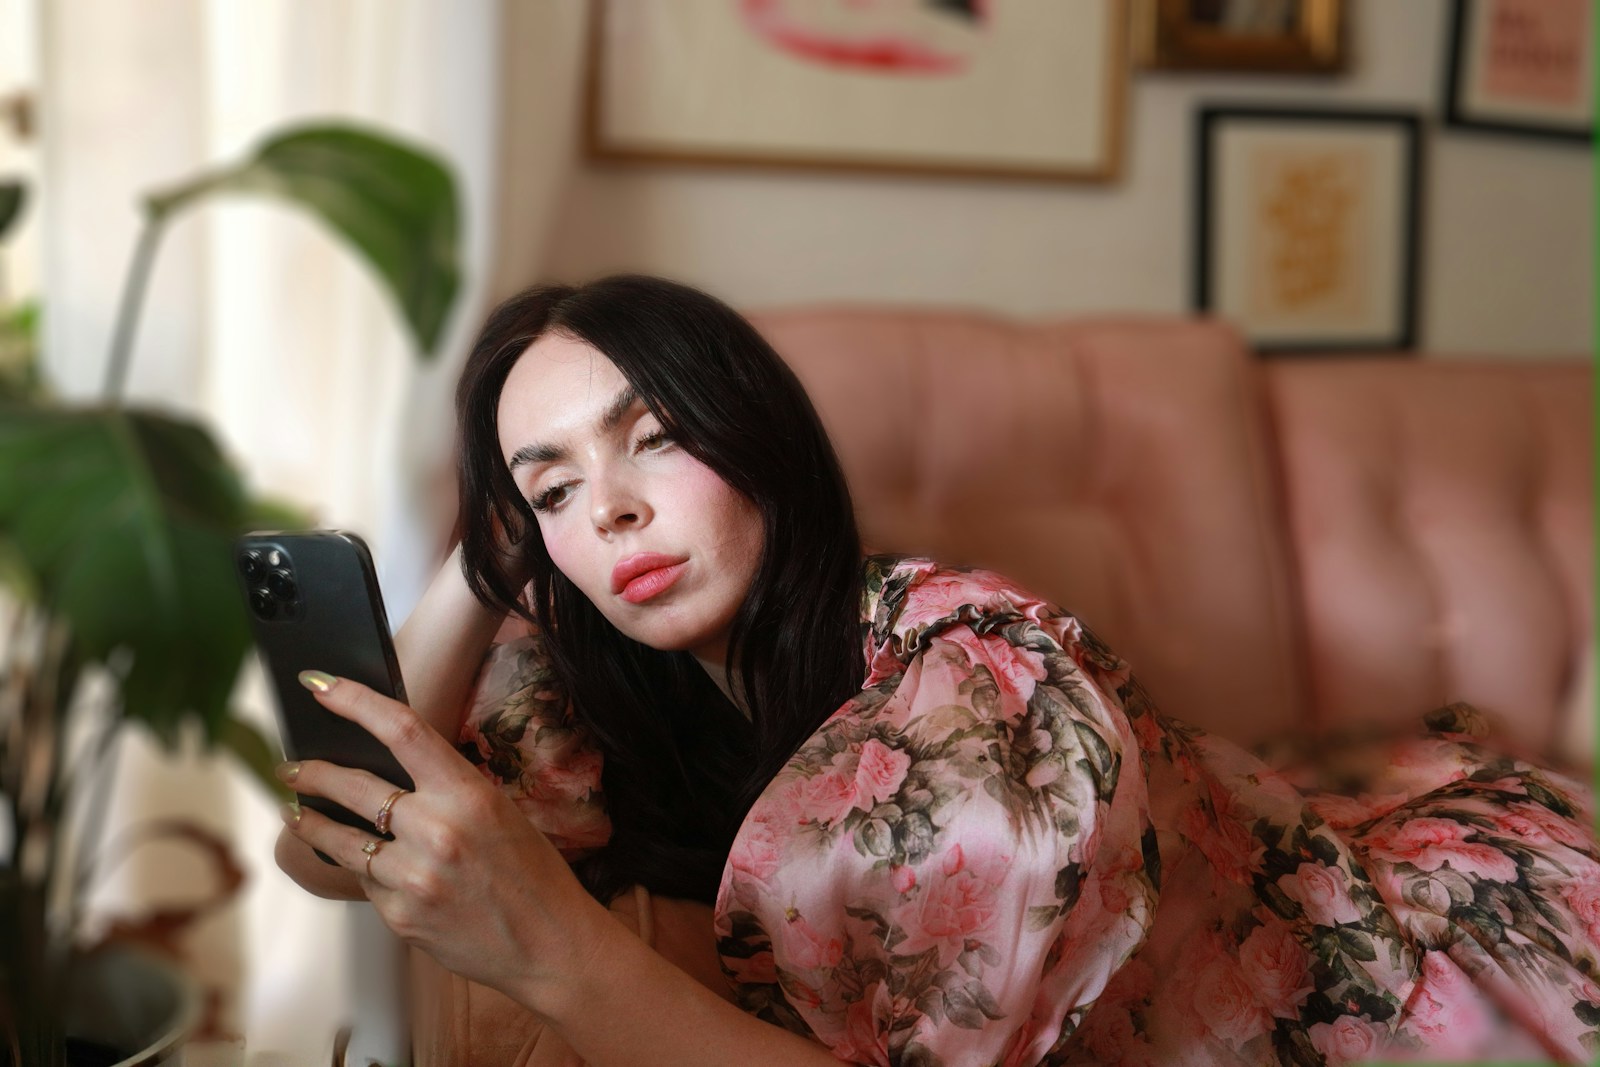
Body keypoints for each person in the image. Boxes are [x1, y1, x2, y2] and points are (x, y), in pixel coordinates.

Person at [275, 275, 1600, 1066]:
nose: (609, 508)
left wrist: (559, 955)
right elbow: (326, 850)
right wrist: (483, 564)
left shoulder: (971, 687)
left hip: (1378, 988)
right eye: (555, 486)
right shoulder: (604, 679)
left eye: (656, 436)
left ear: (757, 436)